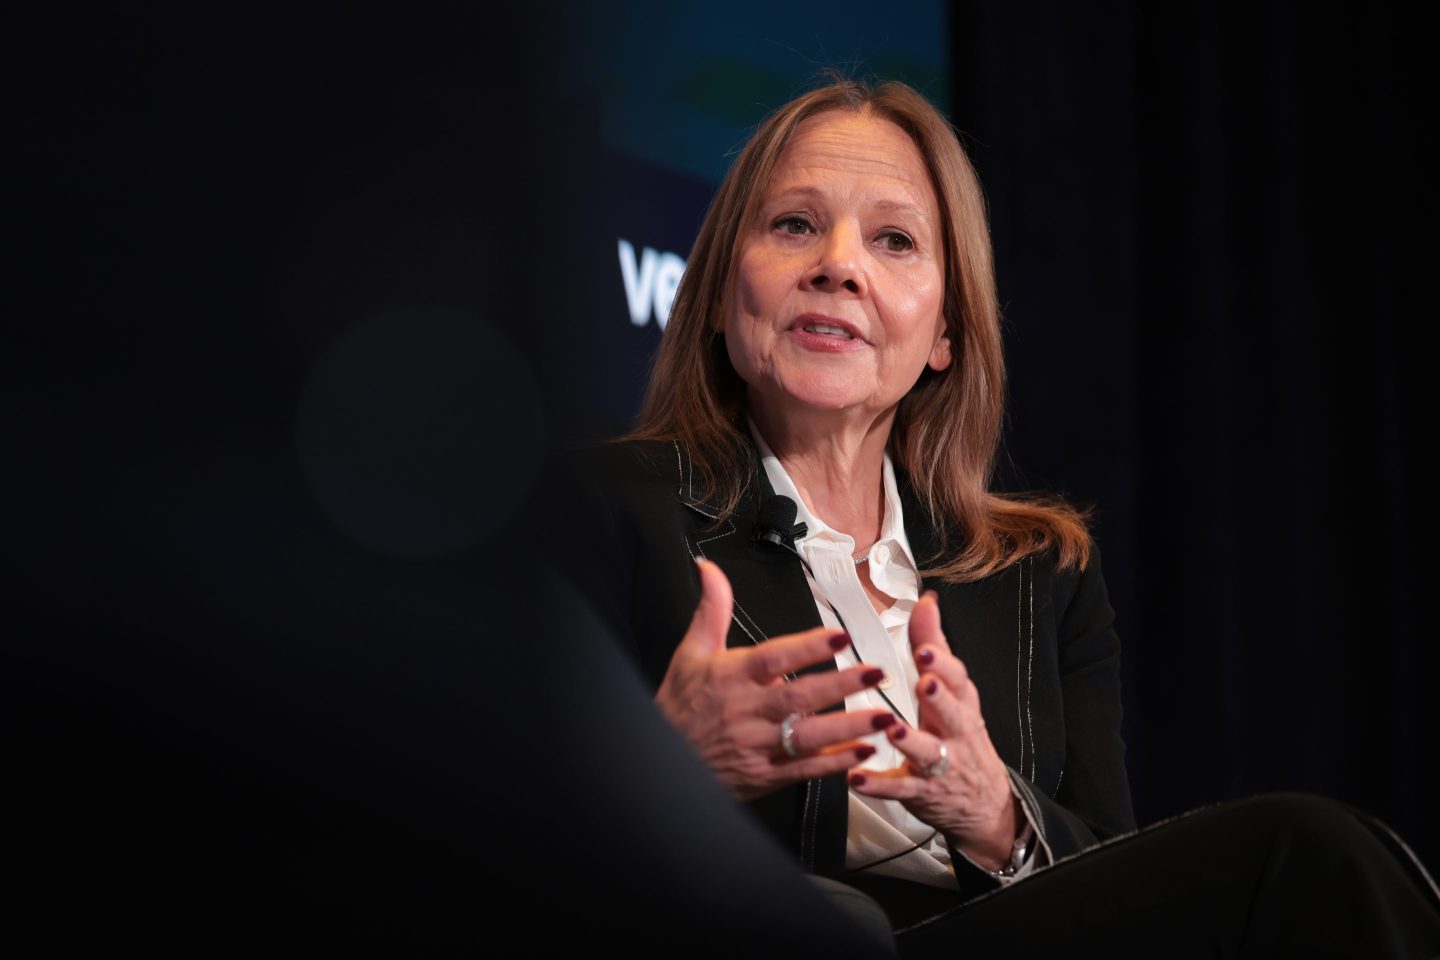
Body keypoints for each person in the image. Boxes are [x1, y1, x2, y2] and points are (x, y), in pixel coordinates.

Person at [558, 78, 1440, 956]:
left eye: (894, 239)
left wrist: (997, 815)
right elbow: (481, 854)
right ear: (717, 294)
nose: (839, 263)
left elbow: (1123, 883)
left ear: (945, 331)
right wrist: (665, 768)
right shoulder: (604, 515)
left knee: (1306, 865)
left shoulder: (1039, 573)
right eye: (793, 224)